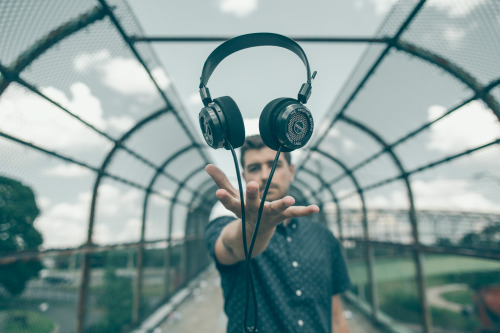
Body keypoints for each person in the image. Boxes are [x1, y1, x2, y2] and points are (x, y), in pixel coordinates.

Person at [204, 134, 351, 333]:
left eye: (274, 165)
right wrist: (256, 227)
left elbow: (336, 316)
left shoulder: (323, 236)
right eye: (254, 168)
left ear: (291, 172)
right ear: (244, 176)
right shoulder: (226, 226)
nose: (265, 175)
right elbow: (230, 246)